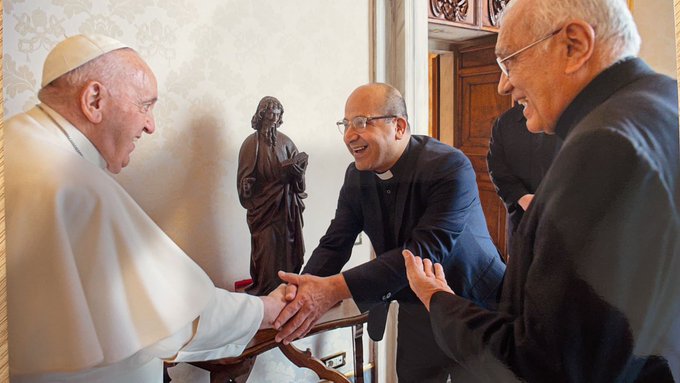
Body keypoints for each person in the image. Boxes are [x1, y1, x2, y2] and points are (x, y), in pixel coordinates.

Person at [404, 0, 680, 381]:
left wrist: (438, 300)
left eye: (510, 61)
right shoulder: (665, 104)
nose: (503, 84)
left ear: (574, 46)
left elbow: (546, 363)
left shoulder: (604, 145)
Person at [5, 34, 286, 383]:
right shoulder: (76, 184)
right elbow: (175, 316)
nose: (151, 125)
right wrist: (266, 310)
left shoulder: (16, 142)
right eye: (145, 105)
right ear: (94, 100)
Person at [273, 82, 506, 382]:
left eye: (360, 123)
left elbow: (421, 253)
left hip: (476, 304)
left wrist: (331, 290)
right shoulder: (356, 175)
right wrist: (301, 292)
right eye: (345, 124)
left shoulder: (449, 166)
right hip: (416, 307)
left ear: (398, 126)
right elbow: (335, 243)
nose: (349, 135)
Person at [237, 96, 308, 295]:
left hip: (286, 207)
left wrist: (298, 173)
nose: (274, 118)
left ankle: (287, 287)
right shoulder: (251, 145)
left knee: (288, 249)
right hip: (263, 210)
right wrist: (246, 186)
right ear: (261, 114)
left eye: (278, 114)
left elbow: (299, 181)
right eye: (270, 113)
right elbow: (244, 181)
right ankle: (266, 290)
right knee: (266, 250)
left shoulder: (286, 142)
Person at [487, 103, 561, 253]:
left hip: (562, 220)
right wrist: (522, 197)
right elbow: (497, 168)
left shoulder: (567, 115)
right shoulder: (505, 122)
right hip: (521, 217)